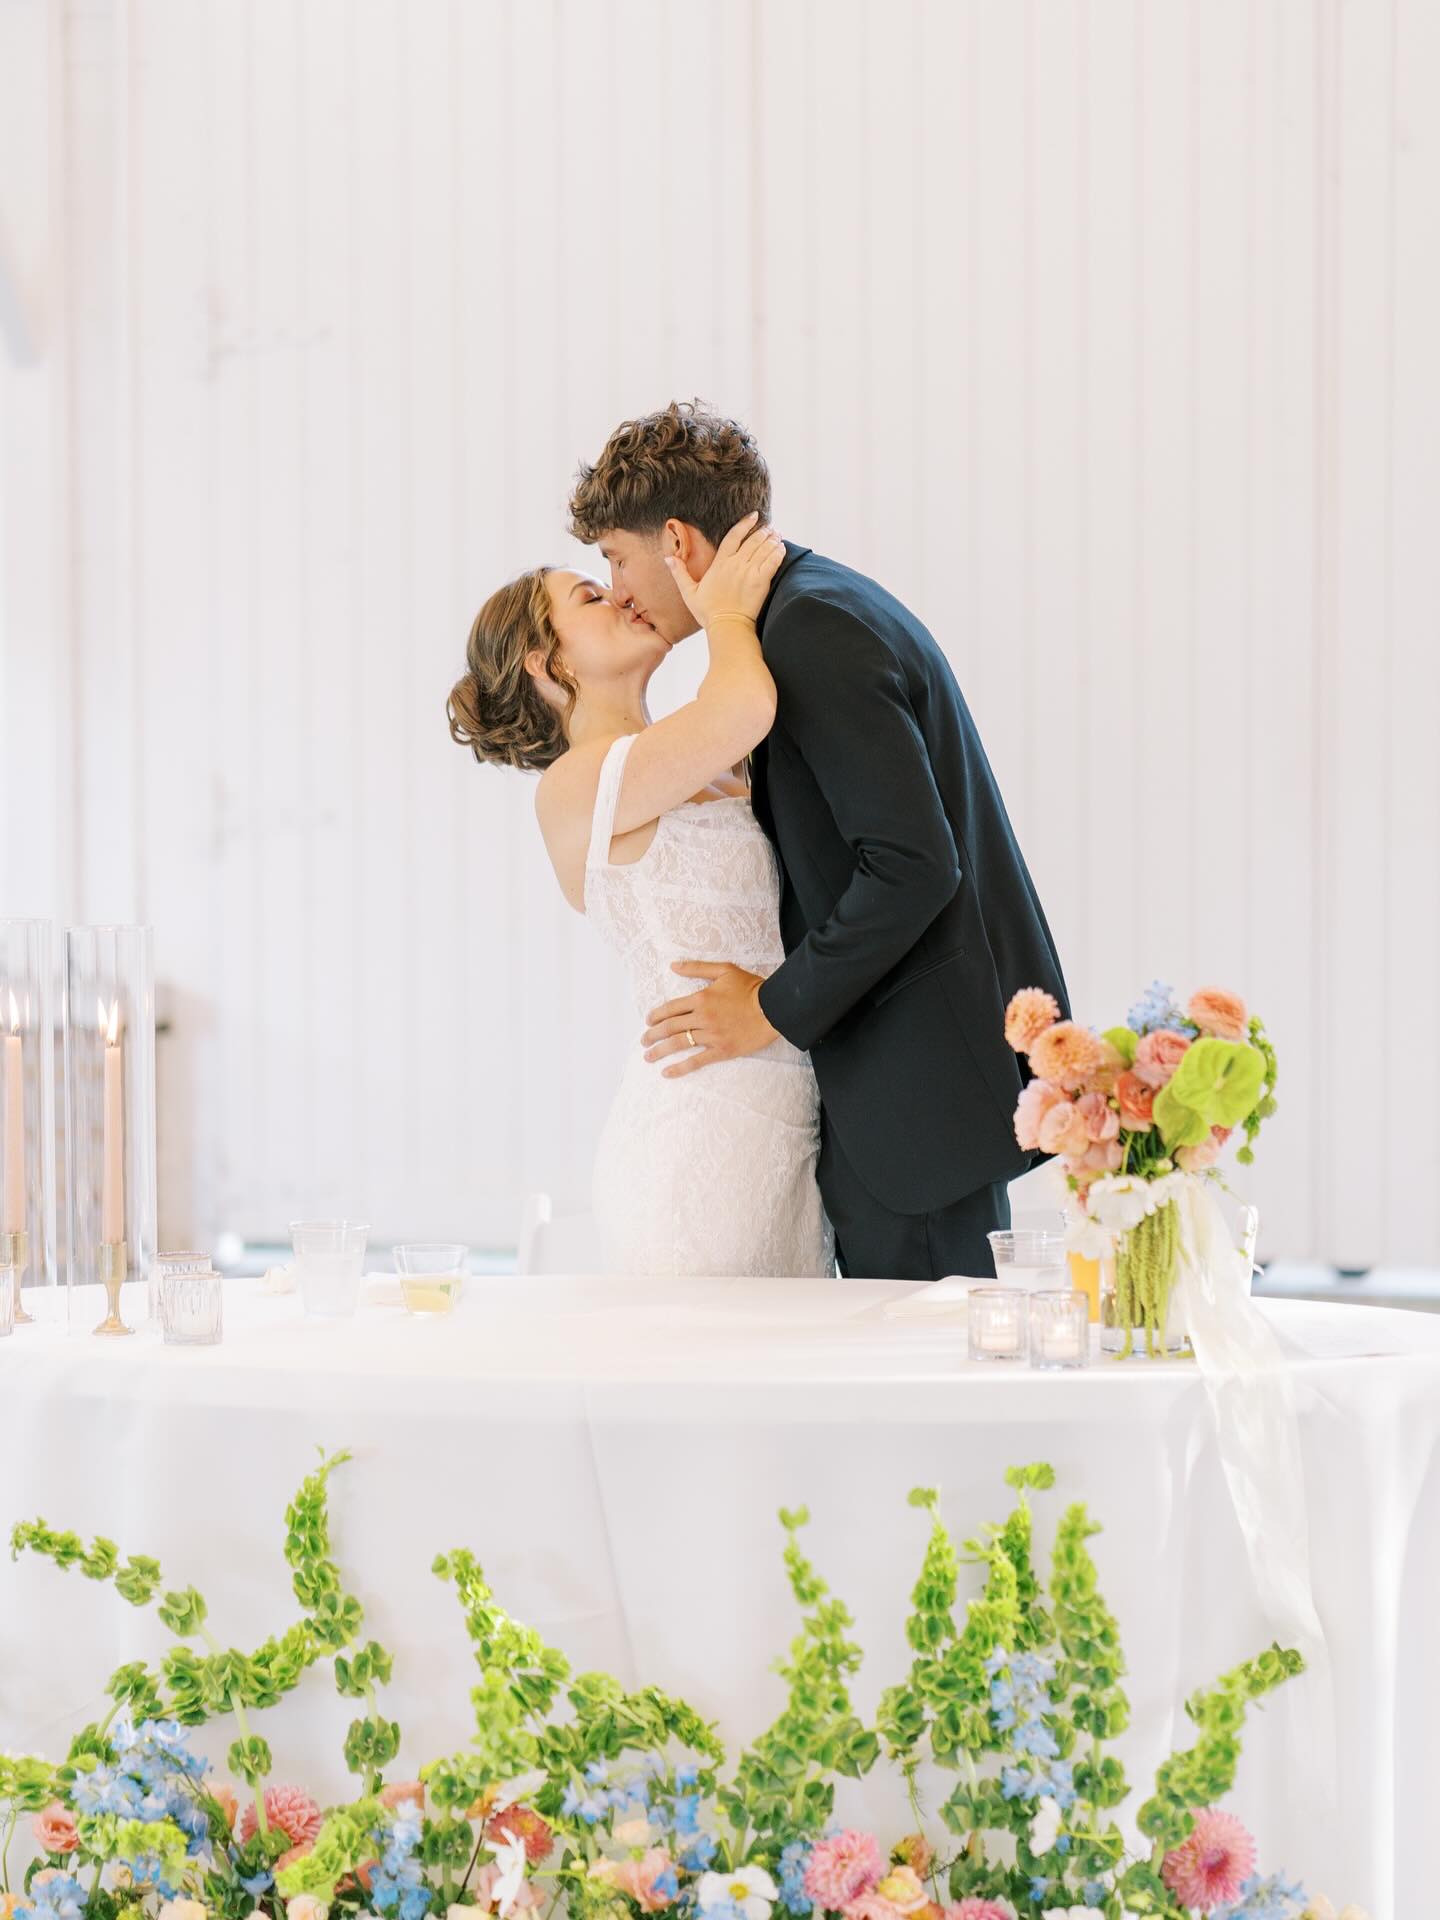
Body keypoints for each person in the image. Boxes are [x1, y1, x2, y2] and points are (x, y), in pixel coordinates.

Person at [566, 402, 1071, 1281]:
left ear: (678, 542)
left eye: (615, 557)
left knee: (921, 1381)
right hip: (878, 1090)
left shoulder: (812, 631)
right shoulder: (802, 615)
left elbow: (913, 867)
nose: (615, 588)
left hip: (912, 1097)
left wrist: (765, 1007)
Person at [448, 503, 833, 1278]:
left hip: (788, 1130)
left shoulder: (699, 755)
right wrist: (722, 610)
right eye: (591, 598)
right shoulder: (573, 786)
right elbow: (747, 706)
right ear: (542, 661)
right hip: (694, 1137)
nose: (621, 597)